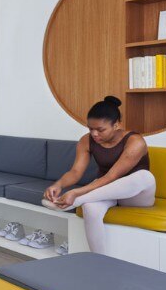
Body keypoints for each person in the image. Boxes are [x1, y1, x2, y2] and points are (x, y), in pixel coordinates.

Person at [40, 95, 154, 255]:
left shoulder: (135, 141)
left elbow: (112, 176)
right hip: (105, 192)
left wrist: (76, 193)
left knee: (145, 177)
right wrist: (58, 185)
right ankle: (98, 259)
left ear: (116, 125)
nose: (94, 134)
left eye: (100, 130)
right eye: (90, 129)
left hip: (135, 196)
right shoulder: (86, 141)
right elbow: (75, 172)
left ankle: (73, 202)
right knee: (90, 208)